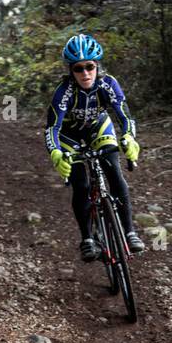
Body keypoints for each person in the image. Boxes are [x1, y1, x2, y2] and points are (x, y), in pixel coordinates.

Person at [45, 33, 145, 261]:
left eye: (89, 66)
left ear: (97, 65)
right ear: (71, 70)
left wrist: (130, 138)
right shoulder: (64, 92)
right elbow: (52, 128)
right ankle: (88, 238)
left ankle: (129, 232)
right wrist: (55, 153)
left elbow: (125, 116)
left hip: (98, 129)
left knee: (114, 172)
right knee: (80, 184)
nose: (85, 73)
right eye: (78, 69)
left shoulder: (108, 84)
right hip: (69, 136)